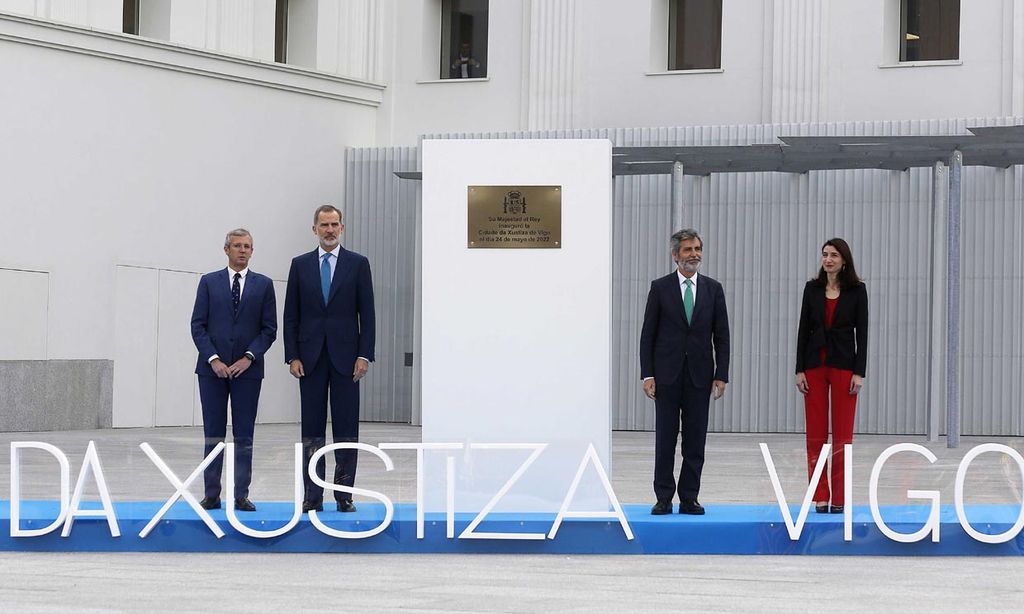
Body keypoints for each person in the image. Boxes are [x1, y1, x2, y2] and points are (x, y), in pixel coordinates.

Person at [284, 205, 375, 513]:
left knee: (347, 429)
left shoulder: (358, 264)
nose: (330, 229)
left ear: (342, 228)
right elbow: (291, 316)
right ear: (314, 229)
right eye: (324, 225)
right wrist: (292, 356)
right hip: (309, 360)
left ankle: (344, 494)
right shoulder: (299, 265)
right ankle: (312, 496)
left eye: (335, 224)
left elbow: (368, 315)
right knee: (311, 430)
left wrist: (364, 354)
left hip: (348, 360)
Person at [639, 228, 730, 516]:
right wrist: (648, 374)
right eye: (688, 249)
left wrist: (721, 373)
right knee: (665, 438)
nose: (694, 255)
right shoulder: (660, 288)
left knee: (695, 440)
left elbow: (722, 336)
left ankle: (689, 497)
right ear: (675, 255)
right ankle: (664, 496)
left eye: (698, 249)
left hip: (700, 376)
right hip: (666, 376)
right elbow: (648, 335)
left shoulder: (713, 289)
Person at [190, 228, 278, 512]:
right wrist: (213, 359)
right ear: (226, 249)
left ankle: (241, 494)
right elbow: (197, 325)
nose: (242, 250)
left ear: (252, 251)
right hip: (212, 372)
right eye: (237, 246)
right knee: (213, 434)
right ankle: (211, 494)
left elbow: (269, 329)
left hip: (247, 372)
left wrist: (248, 357)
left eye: (248, 246)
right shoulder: (208, 282)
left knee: (244, 435)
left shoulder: (264, 285)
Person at [795, 238, 867, 514]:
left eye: (834, 255)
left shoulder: (857, 291)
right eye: (825, 254)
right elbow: (802, 330)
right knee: (815, 434)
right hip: (814, 366)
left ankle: (840, 497)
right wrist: (799, 368)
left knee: (842, 434)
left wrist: (859, 372)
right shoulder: (811, 289)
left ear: (844, 260)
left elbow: (863, 333)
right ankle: (819, 495)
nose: (828, 259)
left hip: (844, 367)